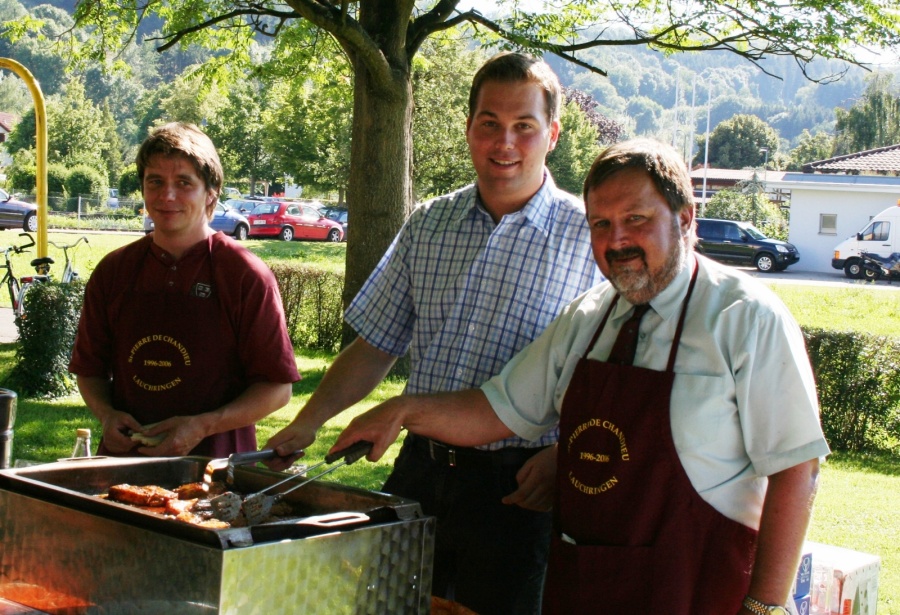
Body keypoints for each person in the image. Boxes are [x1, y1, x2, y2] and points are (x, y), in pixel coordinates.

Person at [331, 138, 830, 614]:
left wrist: (765, 606)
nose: (617, 241)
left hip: (694, 586)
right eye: (600, 224)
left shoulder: (746, 318)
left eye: (636, 219)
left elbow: (795, 469)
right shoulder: (589, 318)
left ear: (684, 219)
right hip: (586, 583)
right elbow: (495, 409)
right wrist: (401, 410)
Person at [265, 52, 603, 614]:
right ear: (469, 128)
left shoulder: (588, 236)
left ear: (553, 134)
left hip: (521, 485)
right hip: (421, 471)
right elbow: (375, 345)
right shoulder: (428, 222)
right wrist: (306, 424)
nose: (504, 143)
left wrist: (564, 458)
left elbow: (611, 380)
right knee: (387, 607)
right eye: (489, 123)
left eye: (524, 126)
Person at [69, 122, 300, 458]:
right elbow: (90, 370)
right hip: (120, 467)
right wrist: (106, 415)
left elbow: (277, 388)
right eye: (155, 182)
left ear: (211, 192)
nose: (167, 196)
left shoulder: (244, 275)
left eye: (184, 183)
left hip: (214, 472)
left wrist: (204, 425)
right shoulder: (114, 270)